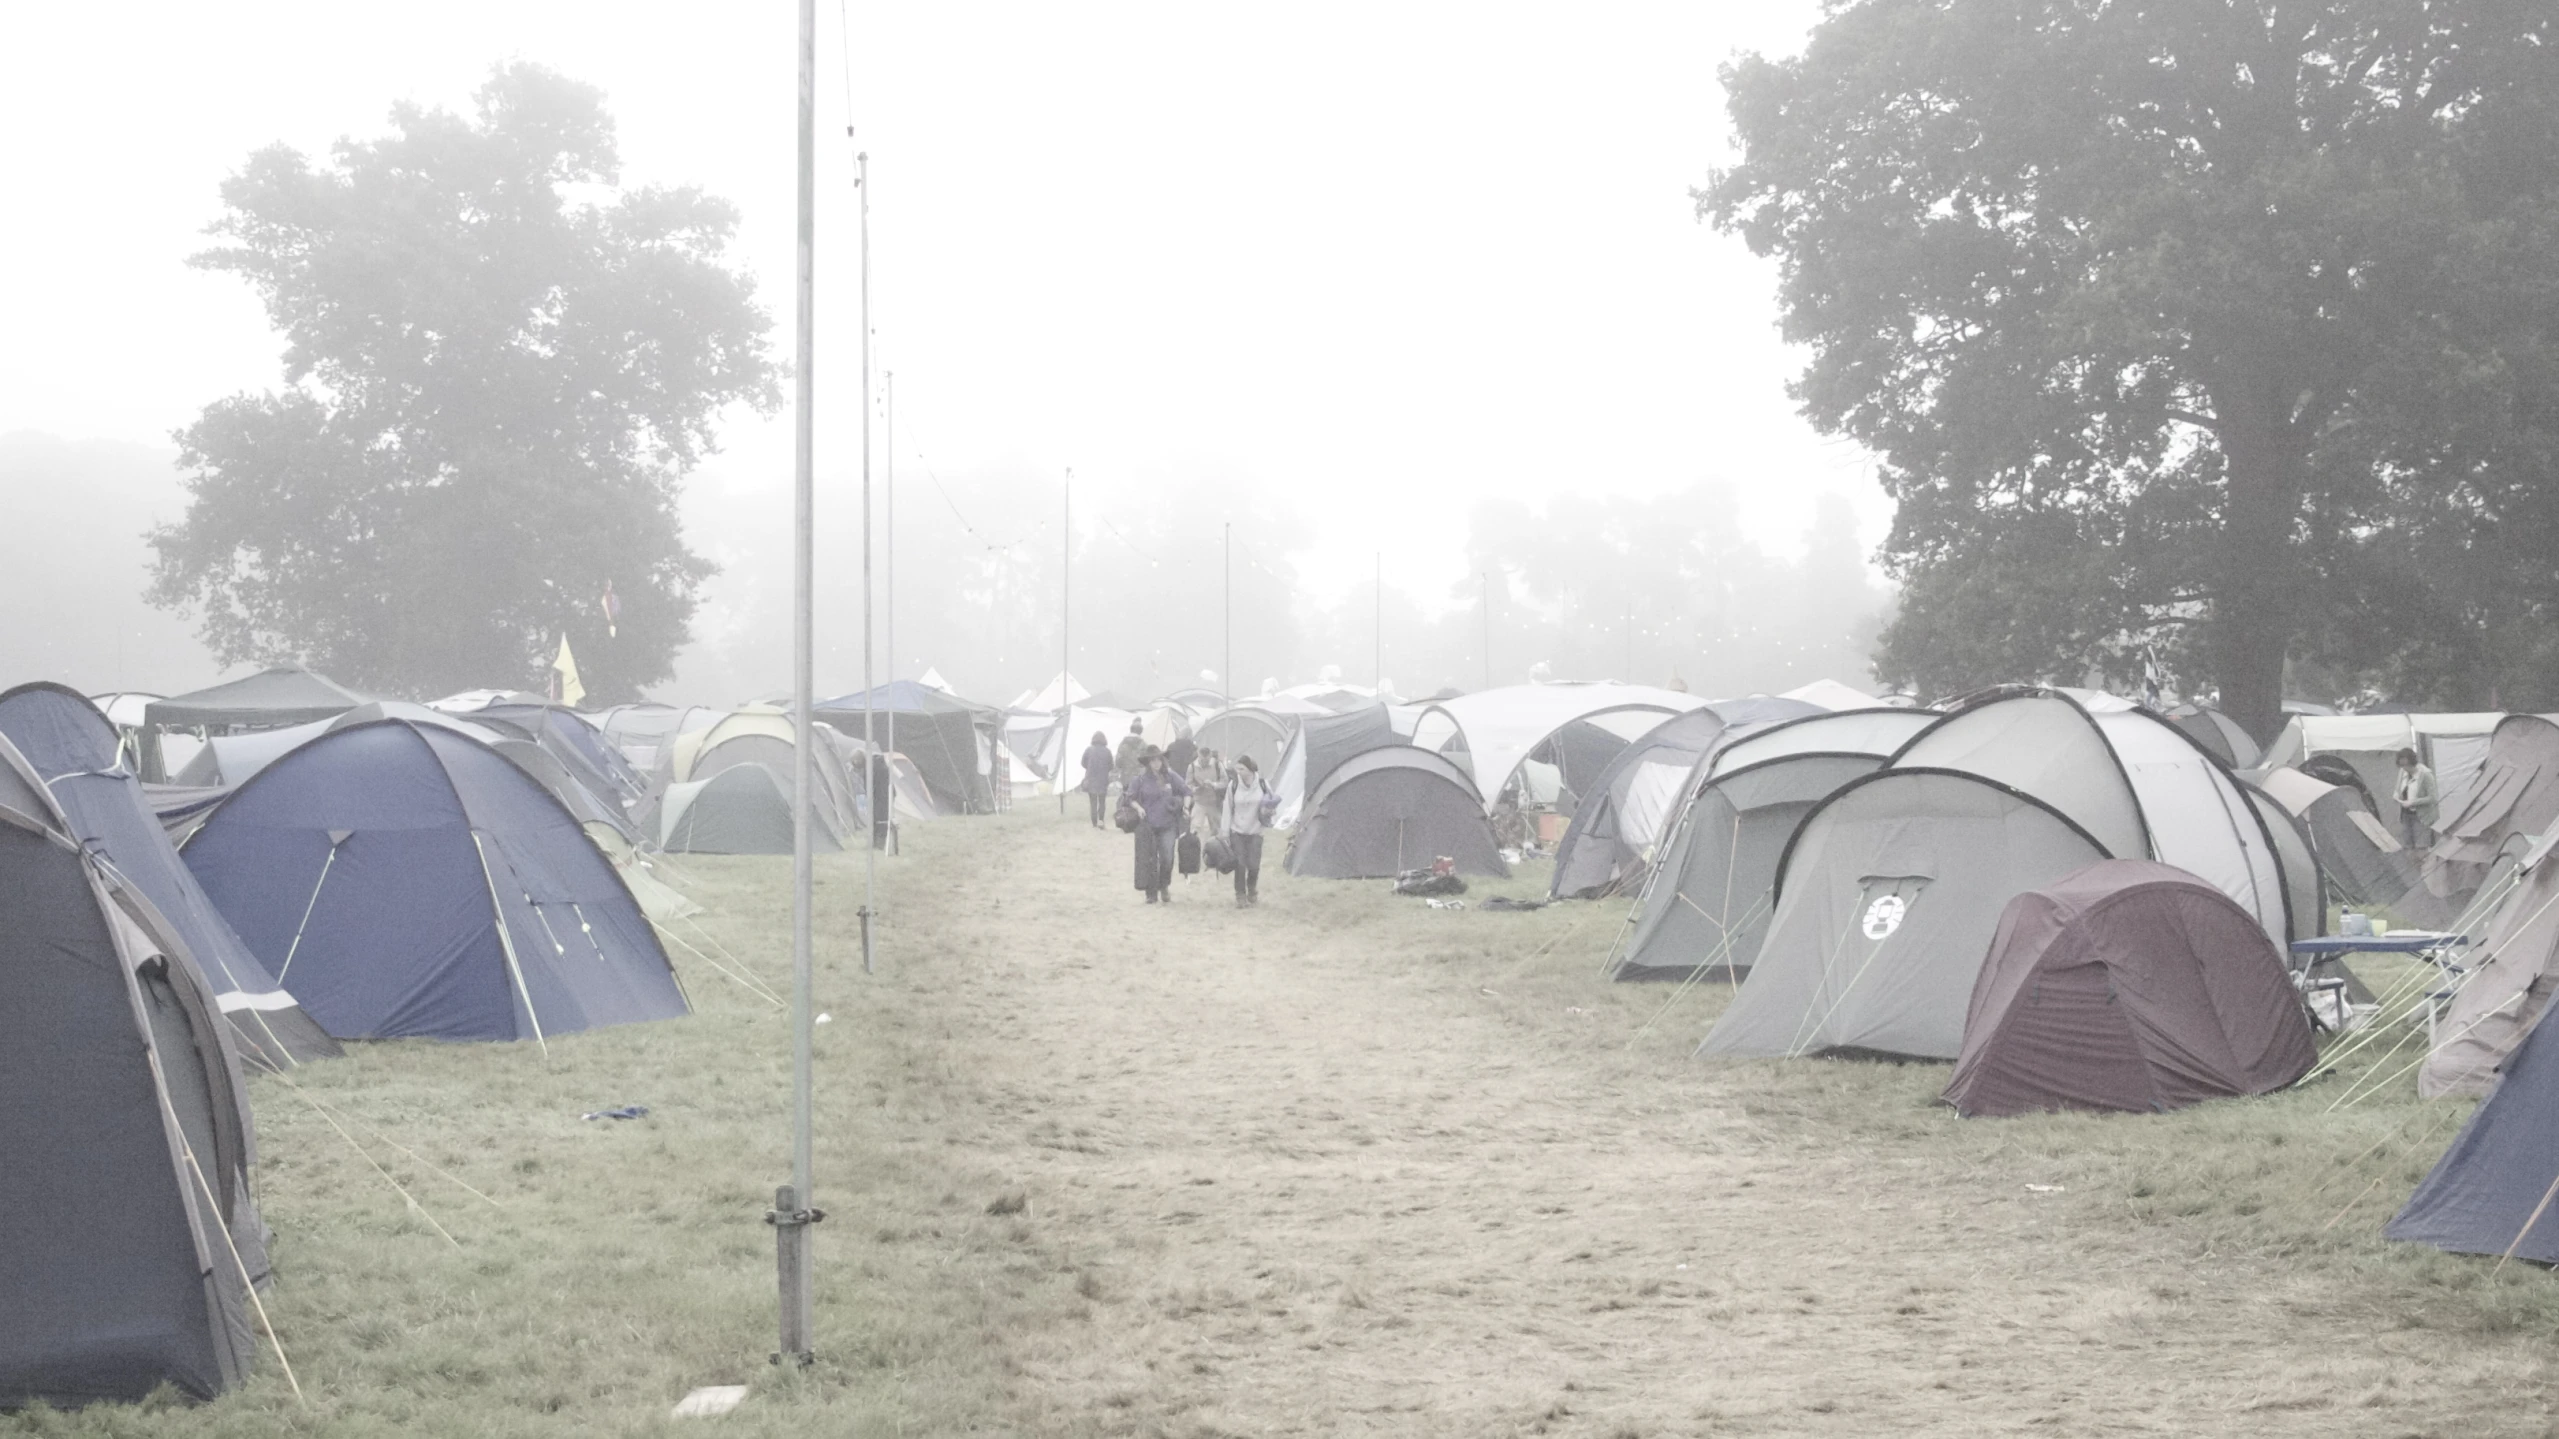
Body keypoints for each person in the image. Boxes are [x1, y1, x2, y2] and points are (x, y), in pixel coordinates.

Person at [1128, 746, 1190, 904]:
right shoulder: (1140, 779)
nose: (1156, 763)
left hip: (1168, 825)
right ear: (1148, 763)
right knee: (1149, 860)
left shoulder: (1171, 776)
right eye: (1153, 760)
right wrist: (1139, 808)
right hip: (1148, 825)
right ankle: (1151, 893)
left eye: (1158, 759)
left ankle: (1164, 886)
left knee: (1167, 858)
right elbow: (1130, 798)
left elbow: (1186, 791)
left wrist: (1186, 807)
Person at [1222, 754, 1272, 907]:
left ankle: (1251, 889)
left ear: (1250, 770)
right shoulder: (1234, 785)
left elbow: (1272, 803)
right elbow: (1227, 807)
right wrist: (1225, 831)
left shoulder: (1263, 784)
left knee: (1254, 865)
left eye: (1242, 768)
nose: (1238, 771)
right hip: (1237, 830)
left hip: (1256, 831)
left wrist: (1269, 812)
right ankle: (1240, 895)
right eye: (1237, 768)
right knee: (1240, 864)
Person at [2395, 747, 2439, 852]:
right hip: (2406, 816)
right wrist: (2397, 795)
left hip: (2421, 817)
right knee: (2408, 847)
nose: (2405, 768)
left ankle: (2425, 866)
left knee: (2421, 847)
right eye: (2402, 766)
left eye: (2407, 766)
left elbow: (2433, 798)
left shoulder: (2425, 775)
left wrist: (2413, 802)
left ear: (2413, 763)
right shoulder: (2403, 772)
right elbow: (2398, 788)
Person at [1188, 745, 1226, 839]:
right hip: (1199, 802)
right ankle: (1196, 848)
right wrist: (1194, 789)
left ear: (1210, 756)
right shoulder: (1192, 766)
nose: (1204, 762)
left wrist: (1214, 784)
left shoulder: (1217, 765)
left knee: (1218, 829)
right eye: (1202, 760)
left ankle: (1217, 849)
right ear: (1198, 756)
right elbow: (1188, 784)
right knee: (1195, 829)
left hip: (1214, 802)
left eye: (1207, 760)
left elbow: (1225, 782)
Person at [1077, 731, 1114, 829]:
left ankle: (1094, 823)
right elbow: (1111, 765)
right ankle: (1101, 821)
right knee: (1102, 801)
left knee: (1093, 802)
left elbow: (1083, 762)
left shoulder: (1089, 750)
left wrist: (1089, 767)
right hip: (1103, 779)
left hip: (1091, 778)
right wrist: (1105, 770)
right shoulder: (1107, 751)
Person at [1113, 719, 1147, 788]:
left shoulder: (1123, 743)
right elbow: (1146, 762)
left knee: (1126, 796)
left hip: (1125, 777)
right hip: (1139, 777)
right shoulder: (1143, 744)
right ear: (1141, 731)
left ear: (1130, 730)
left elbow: (1118, 762)